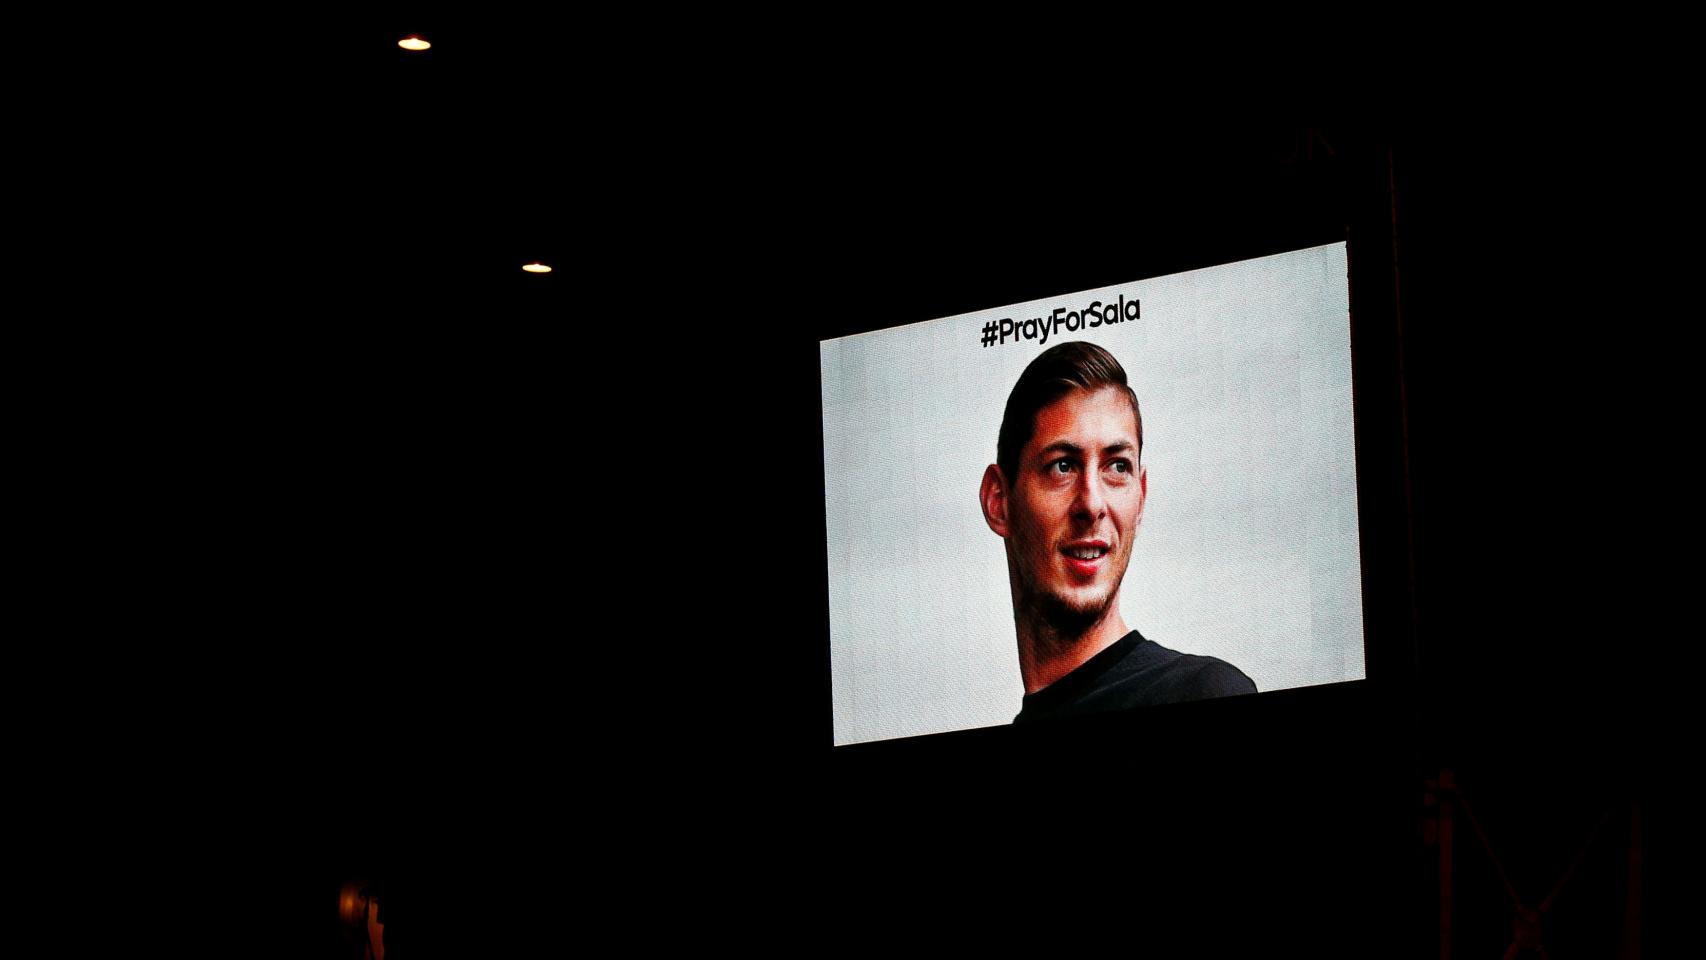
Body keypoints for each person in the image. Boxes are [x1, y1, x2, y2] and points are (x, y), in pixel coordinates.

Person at [979, 340, 1255, 723]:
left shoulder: (1203, 692)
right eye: (1062, 466)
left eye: (1117, 467)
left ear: (1140, 499)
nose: (1092, 505)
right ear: (999, 501)